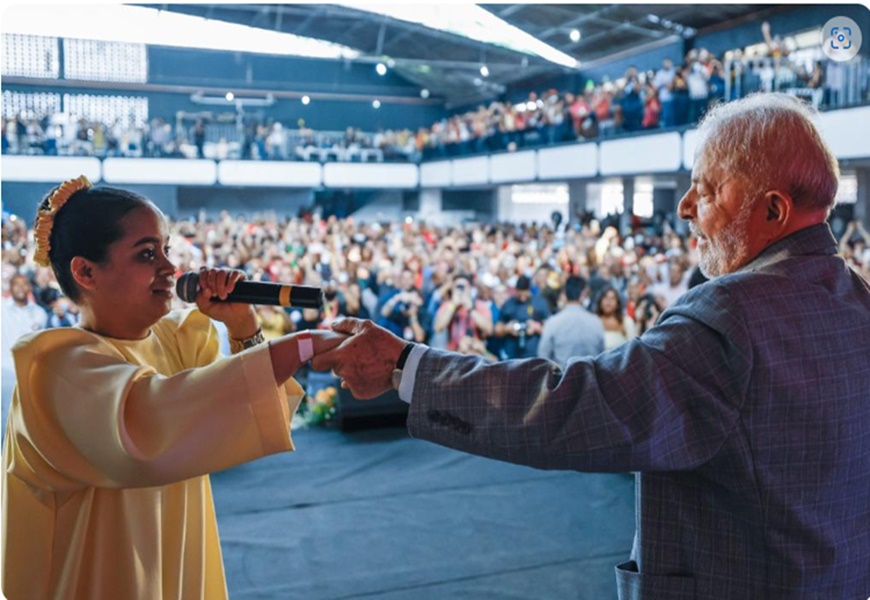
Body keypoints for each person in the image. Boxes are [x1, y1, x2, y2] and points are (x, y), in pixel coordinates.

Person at [313, 93, 870, 598]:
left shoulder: (734, 315)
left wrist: (406, 366)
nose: (683, 207)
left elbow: (572, 406)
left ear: (773, 211)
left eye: (708, 189)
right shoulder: (857, 299)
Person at [1, 176, 346, 599]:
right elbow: (152, 427)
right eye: (147, 254)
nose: (169, 268)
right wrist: (305, 345)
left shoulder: (175, 340)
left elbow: (232, 417)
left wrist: (243, 324)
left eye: (166, 250)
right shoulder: (56, 368)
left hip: (179, 568)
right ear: (85, 271)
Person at [1, 273, 48, 434]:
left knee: (29, 419)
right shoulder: (2, 309)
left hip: (30, 373)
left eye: (24, 284)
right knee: (6, 419)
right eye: (16, 284)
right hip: (5, 373)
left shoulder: (40, 313)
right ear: (10, 287)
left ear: (29, 287)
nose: (21, 287)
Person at [537, 276, 604, 368]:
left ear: (565, 294)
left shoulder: (553, 322)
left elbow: (543, 356)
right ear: (583, 294)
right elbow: (601, 354)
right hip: (590, 376)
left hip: (562, 378)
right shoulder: (595, 321)